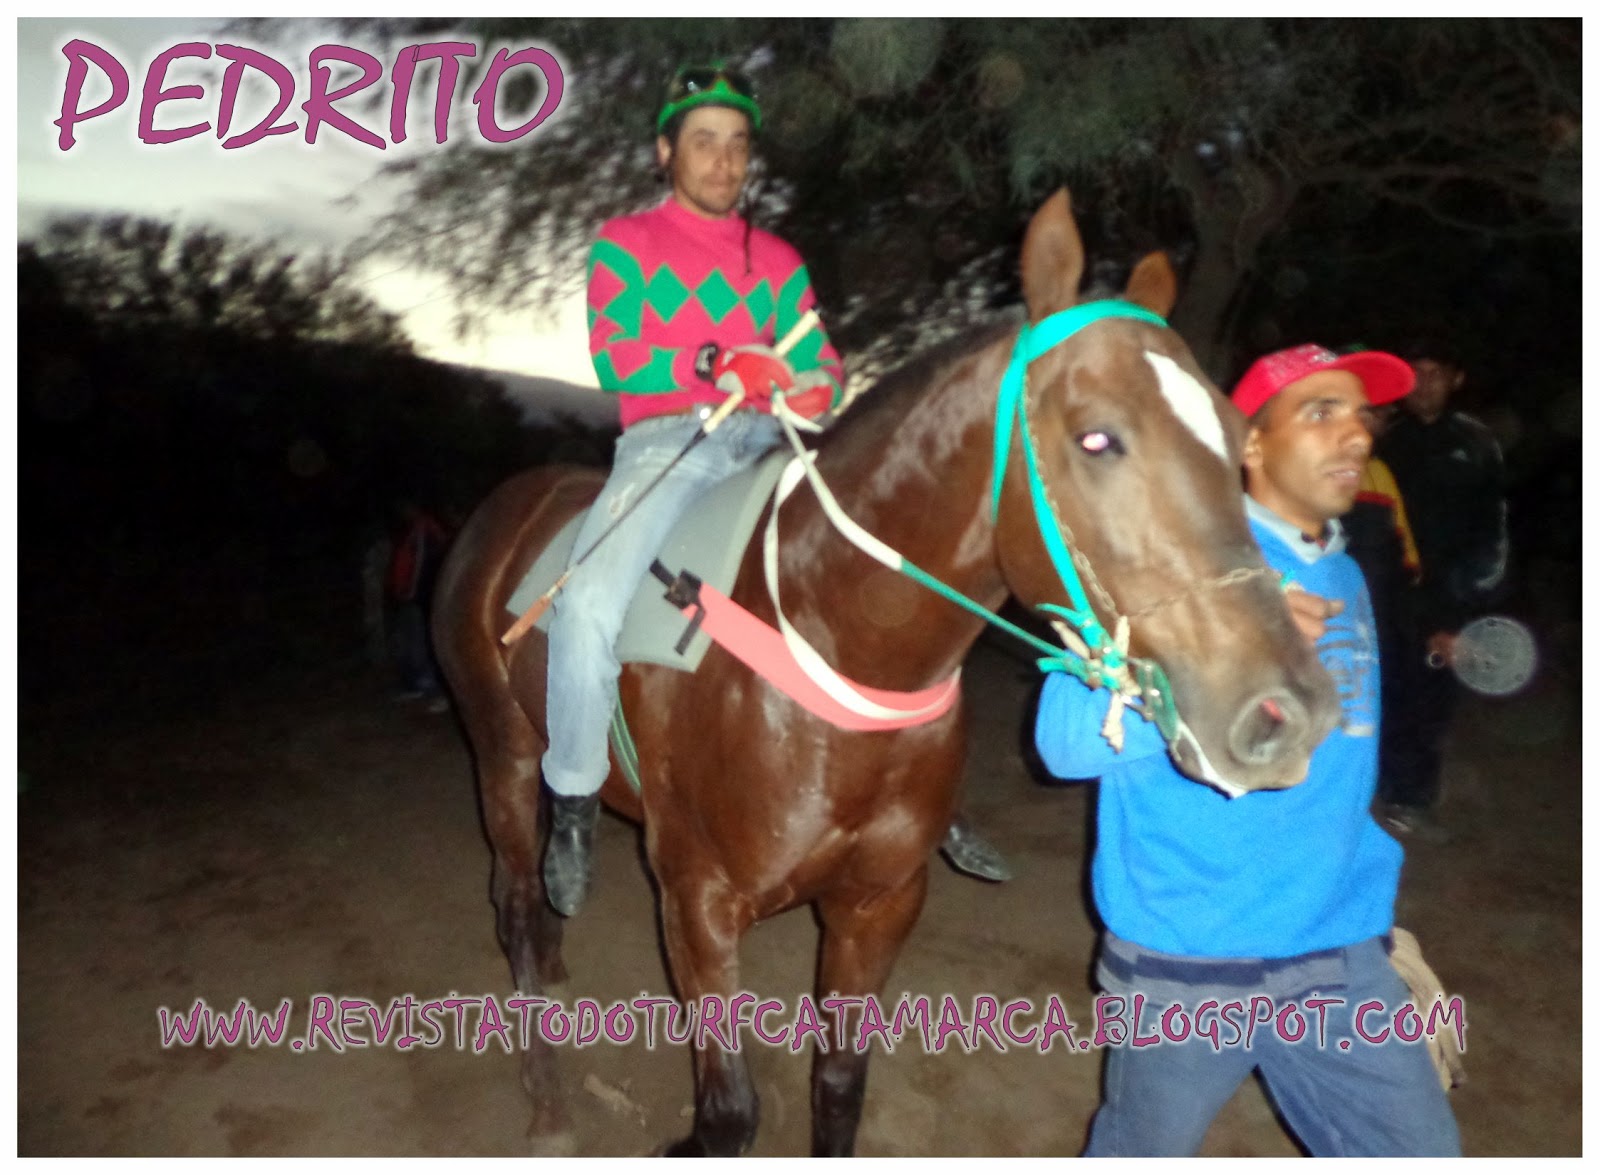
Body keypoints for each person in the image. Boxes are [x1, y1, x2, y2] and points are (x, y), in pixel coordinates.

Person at [541, 64, 1007, 918]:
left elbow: (821, 365)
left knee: (889, 577)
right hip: (669, 443)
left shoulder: (779, 260)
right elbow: (615, 353)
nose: (723, 160)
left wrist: (812, 386)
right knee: (590, 603)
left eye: (736, 144)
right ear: (666, 152)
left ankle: (928, 796)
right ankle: (571, 796)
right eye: (703, 142)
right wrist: (717, 361)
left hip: (775, 442)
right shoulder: (626, 243)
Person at [1034, 343, 1460, 1156]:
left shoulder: (1344, 575)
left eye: (1361, 415)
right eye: (1321, 412)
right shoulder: (1162, 563)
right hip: (1193, 958)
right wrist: (1213, 654)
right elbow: (1062, 743)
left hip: (1339, 947)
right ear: (1249, 442)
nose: (1357, 434)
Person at [1374, 339, 1509, 837]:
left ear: (1456, 380)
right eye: (1416, 372)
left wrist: (1468, 605)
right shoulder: (1382, 438)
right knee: (1374, 695)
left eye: (1435, 373)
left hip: (1448, 598)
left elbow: (1492, 530)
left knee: (1431, 703)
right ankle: (1366, 794)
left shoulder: (1477, 443)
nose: (1424, 383)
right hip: (1385, 594)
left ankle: (1411, 799)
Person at [388, 501, 450, 708]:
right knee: (407, 641)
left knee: (422, 642)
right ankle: (414, 684)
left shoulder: (425, 530)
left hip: (419, 596)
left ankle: (432, 688)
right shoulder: (411, 530)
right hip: (409, 596)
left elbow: (421, 565)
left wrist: (411, 593)